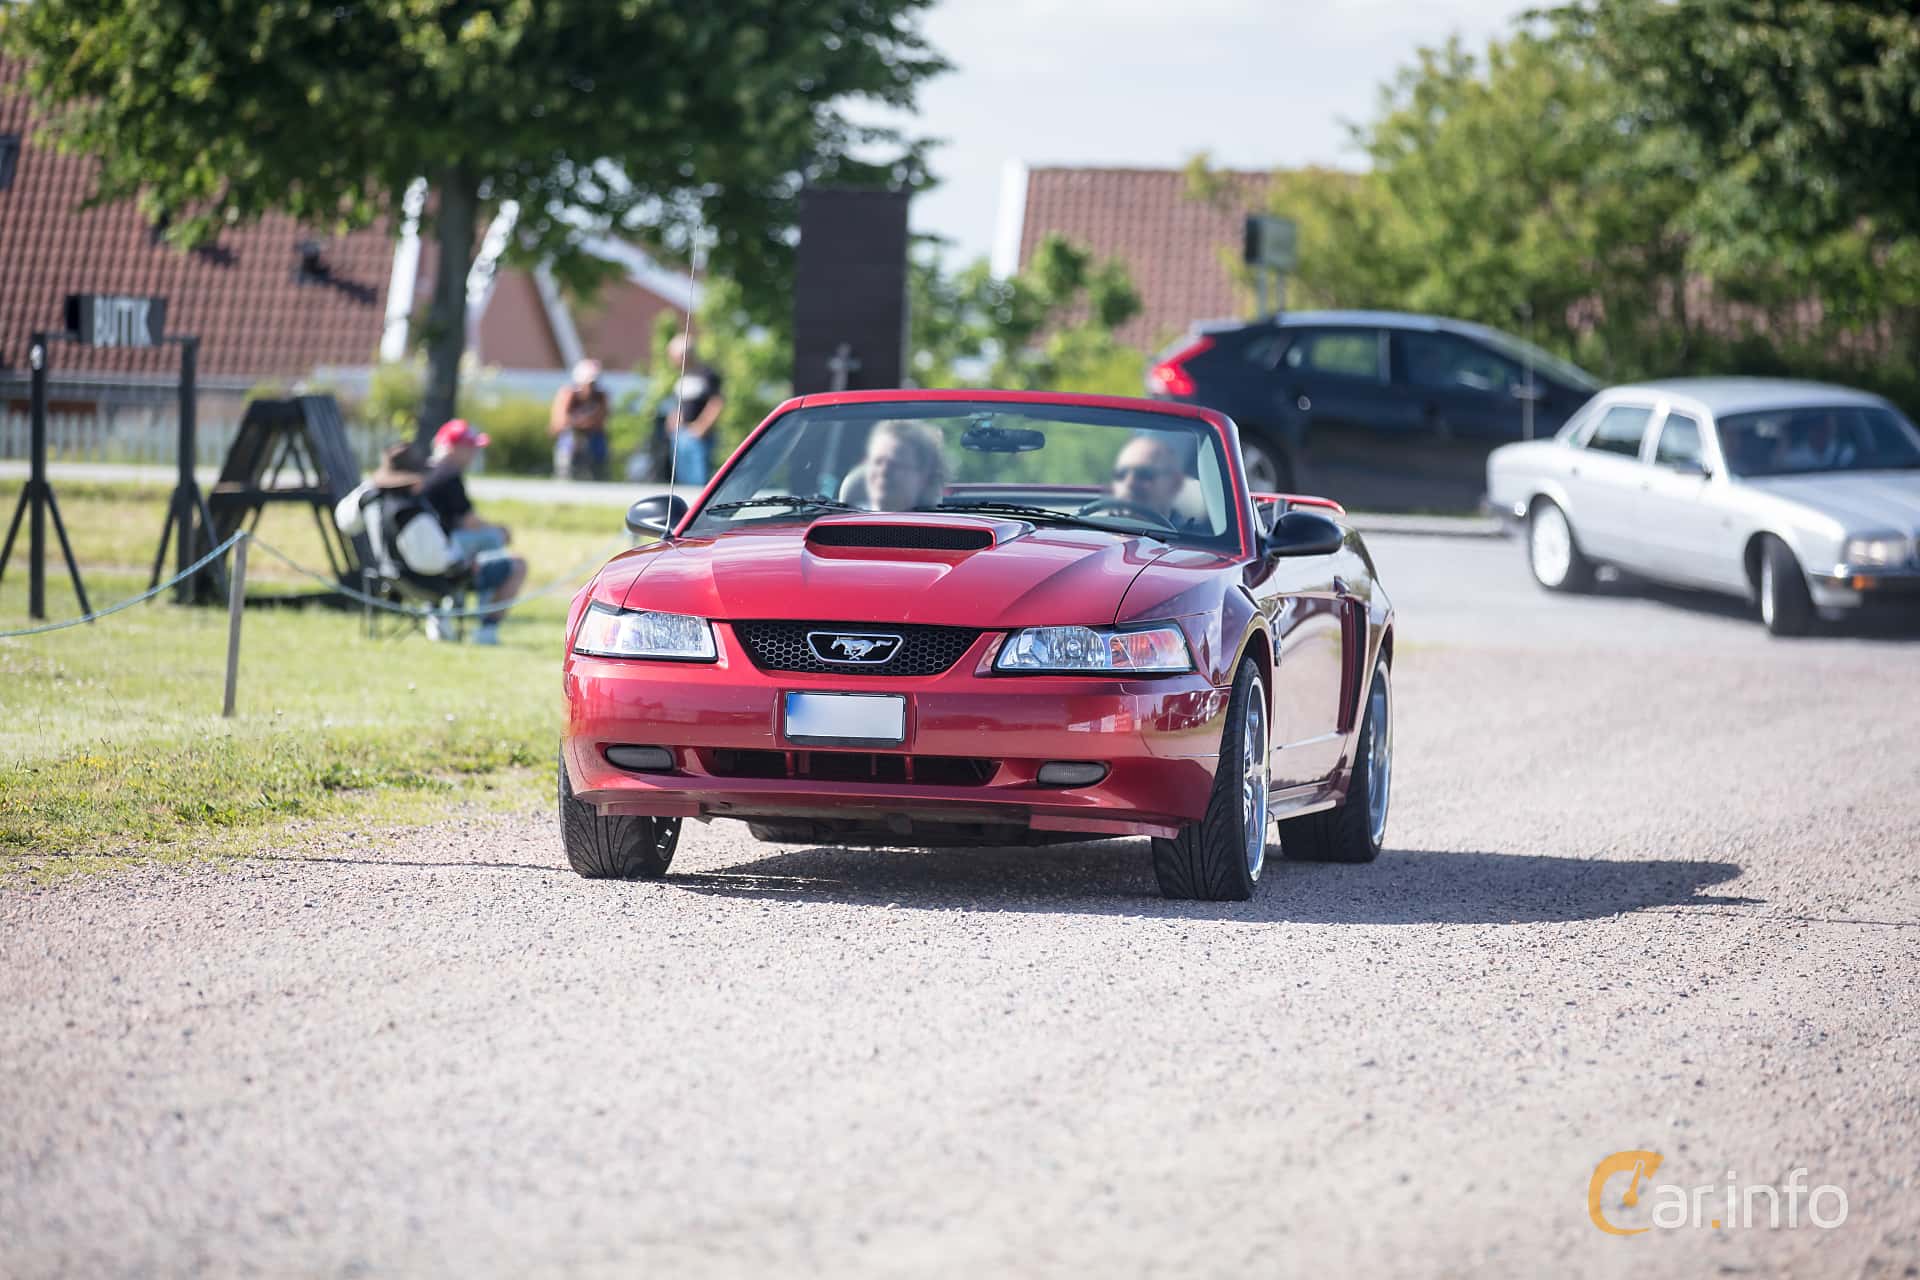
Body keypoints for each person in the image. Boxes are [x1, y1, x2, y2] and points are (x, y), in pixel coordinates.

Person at [421, 419, 527, 645]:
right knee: (499, 544)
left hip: (424, 564)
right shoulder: (448, 475)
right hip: (448, 565)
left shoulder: (423, 472)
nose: (473, 454)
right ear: (452, 447)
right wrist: (500, 531)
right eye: (469, 448)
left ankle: (447, 613)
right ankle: (486, 626)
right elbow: (469, 521)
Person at [652, 334, 725, 488]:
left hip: (698, 436)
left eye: (674, 357)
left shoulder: (707, 375)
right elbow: (680, 404)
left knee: (698, 480)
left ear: (684, 355)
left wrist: (702, 427)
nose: (672, 361)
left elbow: (716, 403)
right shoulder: (682, 377)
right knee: (682, 480)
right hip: (680, 435)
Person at [860, 419, 949, 511]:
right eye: (877, 462)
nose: (884, 471)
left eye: (895, 464)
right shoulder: (848, 518)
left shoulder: (937, 523)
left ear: (924, 476)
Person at [549, 359, 611, 481]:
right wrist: (582, 423)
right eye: (589, 383)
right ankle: (564, 470)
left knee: (599, 442)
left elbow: (601, 420)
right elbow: (561, 420)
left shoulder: (600, 396)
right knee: (569, 439)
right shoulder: (568, 394)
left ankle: (598, 472)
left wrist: (583, 423)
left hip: (592, 434)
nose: (592, 387)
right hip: (572, 434)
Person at [1109, 435, 1188, 522]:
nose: (1129, 483)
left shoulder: (1192, 535)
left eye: (1144, 474)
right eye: (1121, 474)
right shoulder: (1095, 528)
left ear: (1175, 483)